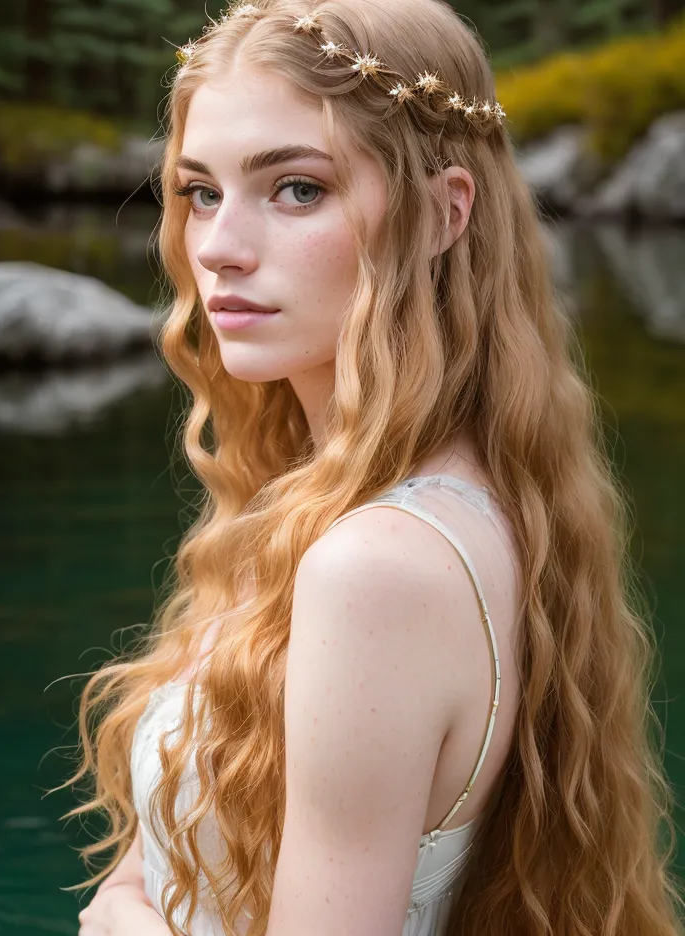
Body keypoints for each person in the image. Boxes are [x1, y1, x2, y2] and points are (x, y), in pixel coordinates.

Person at [59, 1, 684, 935]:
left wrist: (119, 920)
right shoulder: (411, 501)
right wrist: (129, 895)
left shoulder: (377, 566)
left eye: (296, 189)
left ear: (442, 212)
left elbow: (142, 897)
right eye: (200, 192)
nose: (220, 248)